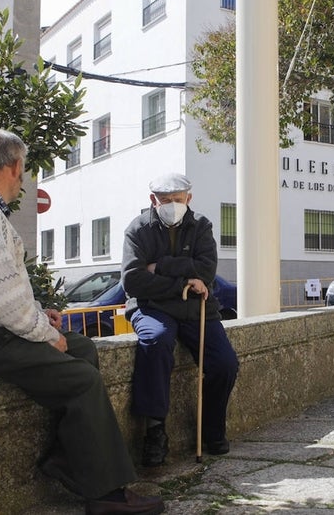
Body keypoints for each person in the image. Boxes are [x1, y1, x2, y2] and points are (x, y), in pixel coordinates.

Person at [0, 129, 164, 515]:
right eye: (23, 169)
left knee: (85, 349)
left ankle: (66, 459)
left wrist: (40, 313)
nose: (22, 179)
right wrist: (45, 333)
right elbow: (0, 300)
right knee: (82, 379)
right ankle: (105, 494)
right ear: (12, 166)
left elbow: (1, 286)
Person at [122, 173, 239, 467]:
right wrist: (182, 283)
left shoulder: (201, 226)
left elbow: (206, 270)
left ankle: (212, 429)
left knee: (225, 363)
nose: (173, 205)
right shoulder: (137, 229)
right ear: (153, 201)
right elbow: (133, 281)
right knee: (155, 341)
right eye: (166, 200)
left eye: (178, 199)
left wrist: (159, 265)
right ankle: (155, 431)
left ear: (189, 198)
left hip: (196, 307)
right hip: (152, 306)